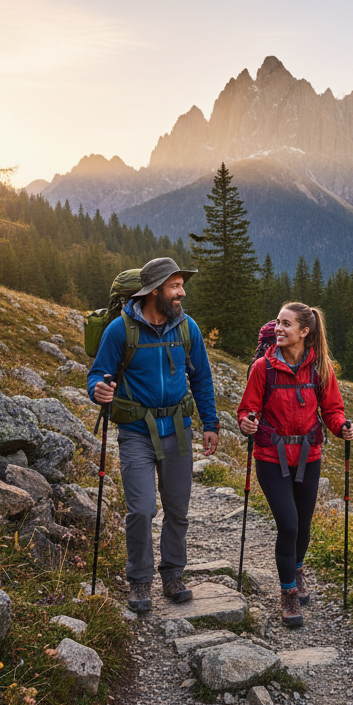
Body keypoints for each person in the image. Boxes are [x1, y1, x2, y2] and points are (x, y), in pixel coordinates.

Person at [88, 257, 219, 613]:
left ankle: (173, 574)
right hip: (136, 433)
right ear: (155, 291)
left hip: (178, 429)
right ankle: (140, 580)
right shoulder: (120, 330)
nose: (182, 292)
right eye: (175, 286)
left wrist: (210, 424)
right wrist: (98, 389)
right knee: (142, 509)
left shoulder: (187, 328)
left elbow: (202, 379)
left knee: (177, 509)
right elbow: (97, 374)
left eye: (181, 285)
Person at [237, 302, 353, 627]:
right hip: (271, 459)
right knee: (288, 525)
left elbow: (332, 410)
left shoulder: (321, 368)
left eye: (286, 324)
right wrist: (247, 422)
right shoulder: (263, 367)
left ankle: (298, 567)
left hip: (308, 457)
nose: (278, 328)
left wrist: (343, 426)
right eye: (277, 322)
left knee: (303, 526)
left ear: (305, 331)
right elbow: (247, 409)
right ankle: (288, 592)